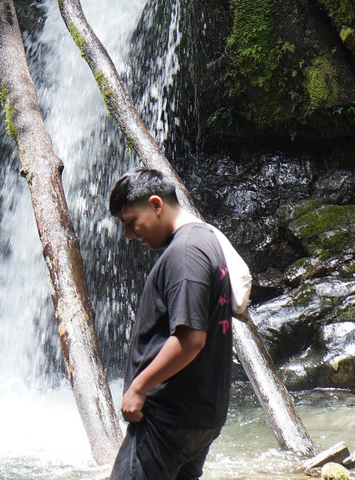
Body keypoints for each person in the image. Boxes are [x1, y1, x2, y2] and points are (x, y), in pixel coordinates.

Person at [108, 167, 252, 480]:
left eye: (130, 222)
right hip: (198, 413)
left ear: (156, 205)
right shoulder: (206, 240)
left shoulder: (185, 252)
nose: (130, 235)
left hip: (169, 418)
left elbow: (191, 339)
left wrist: (138, 387)